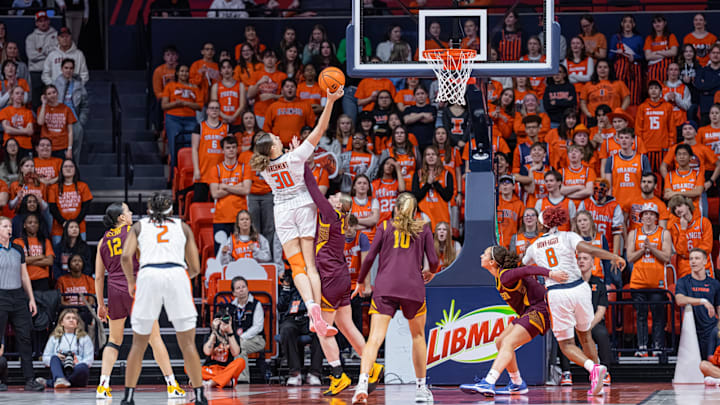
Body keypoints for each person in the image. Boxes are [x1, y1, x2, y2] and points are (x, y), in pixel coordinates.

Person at [250, 86, 343, 337]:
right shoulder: (295, 157)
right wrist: (331, 101)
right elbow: (320, 129)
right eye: (275, 138)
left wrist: (290, 152)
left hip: (282, 212)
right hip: (302, 207)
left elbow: (280, 162)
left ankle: (310, 307)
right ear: (272, 148)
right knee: (311, 266)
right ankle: (320, 317)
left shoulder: (264, 169)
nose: (279, 137)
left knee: (297, 267)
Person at [522, 206, 625, 397]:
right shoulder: (568, 236)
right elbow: (589, 248)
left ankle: (593, 368)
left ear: (541, 224)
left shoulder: (534, 247)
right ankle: (598, 380)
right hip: (579, 288)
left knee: (566, 344)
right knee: (586, 336)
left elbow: (522, 269)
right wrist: (613, 256)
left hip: (558, 293)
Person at [351, 192, 438, 404]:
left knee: (374, 338)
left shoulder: (385, 226)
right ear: (415, 210)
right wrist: (431, 271)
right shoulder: (424, 228)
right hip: (413, 288)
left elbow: (370, 257)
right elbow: (434, 260)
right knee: (417, 337)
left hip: (385, 287)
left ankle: (362, 383)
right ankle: (420, 388)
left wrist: (361, 281)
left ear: (396, 209)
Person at [303, 163, 382, 396]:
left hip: (329, 279)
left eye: (335, 195)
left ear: (339, 205)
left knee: (322, 329)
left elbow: (313, 189)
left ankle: (339, 374)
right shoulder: (336, 218)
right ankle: (374, 366)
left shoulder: (330, 213)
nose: (331, 195)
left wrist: (305, 165)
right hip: (341, 276)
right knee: (347, 327)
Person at [119, 194, 204, 405]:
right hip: (176, 273)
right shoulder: (182, 227)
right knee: (188, 344)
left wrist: (131, 282)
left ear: (148, 210)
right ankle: (200, 395)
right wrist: (182, 278)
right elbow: (195, 267)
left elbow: (125, 257)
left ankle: (128, 397)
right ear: (172, 211)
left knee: (138, 344)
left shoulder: (139, 226)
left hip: (148, 275)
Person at [95, 202, 183, 399]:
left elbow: (99, 277)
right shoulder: (135, 232)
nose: (132, 213)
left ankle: (103, 385)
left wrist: (101, 304)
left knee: (114, 340)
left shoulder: (102, 241)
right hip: (136, 288)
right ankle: (172, 385)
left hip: (114, 291)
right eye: (128, 210)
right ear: (121, 218)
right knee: (154, 338)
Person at [460, 246, 566, 396]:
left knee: (508, 342)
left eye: (484, 254)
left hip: (541, 309)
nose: (480, 255)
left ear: (492, 262)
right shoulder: (500, 276)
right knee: (500, 341)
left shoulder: (505, 276)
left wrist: (551, 273)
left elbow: (528, 269)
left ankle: (489, 381)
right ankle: (517, 383)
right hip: (528, 311)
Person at [0, 216, 44, 391]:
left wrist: (31, 299)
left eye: (10, 226)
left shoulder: (18, 248)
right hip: (1, 296)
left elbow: (24, 275)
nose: (8, 229)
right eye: (4, 226)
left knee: (25, 338)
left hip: (18, 296)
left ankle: (29, 379)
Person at [558, 252, 613, 386]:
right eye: (579, 259)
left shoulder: (598, 283)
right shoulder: (569, 282)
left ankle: (604, 371)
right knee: (564, 334)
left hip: (592, 324)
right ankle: (566, 373)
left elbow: (601, 309)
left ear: (592, 263)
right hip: (573, 323)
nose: (581, 261)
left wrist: (588, 324)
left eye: (585, 258)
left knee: (602, 334)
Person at [627, 201, 673, 357]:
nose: (648, 216)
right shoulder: (633, 233)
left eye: (651, 214)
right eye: (645, 214)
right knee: (641, 315)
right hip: (638, 282)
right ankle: (642, 347)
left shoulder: (664, 233)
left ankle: (658, 347)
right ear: (641, 217)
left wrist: (652, 248)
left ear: (656, 217)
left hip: (657, 283)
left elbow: (666, 257)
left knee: (658, 316)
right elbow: (630, 257)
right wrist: (643, 249)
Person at [675, 249, 720, 367]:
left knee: (710, 364)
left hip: (710, 330)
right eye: (691, 259)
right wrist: (702, 301)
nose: (693, 262)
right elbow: (679, 300)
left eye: (697, 258)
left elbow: (718, 307)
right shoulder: (683, 281)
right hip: (692, 331)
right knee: (693, 367)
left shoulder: (714, 284)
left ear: (705, 261)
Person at [40, 308, 93, 388]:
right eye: (68, 318)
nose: (71, 320)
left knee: (83, 367)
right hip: (61, 370)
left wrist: (77, 362)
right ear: (62, 322)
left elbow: (89, 359)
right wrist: (58, 357)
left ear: (77, 322)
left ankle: (51, 383)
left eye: (74, 318)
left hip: (77, 371)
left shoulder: (84, 337)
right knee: (54, 358)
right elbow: (45, 358)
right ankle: (60, 379)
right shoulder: (54, 338)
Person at [161, 64, 201, 168]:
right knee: (175, 148)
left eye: (186, 71)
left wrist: (185, 103)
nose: (184, 73)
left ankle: (189, 176)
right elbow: (164, 105)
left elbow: (200, 106)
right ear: (177, 73)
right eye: (182, 71)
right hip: (173, 119)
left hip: (191, 120)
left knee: (191, 148)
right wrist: (176, 104)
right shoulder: (170, 86)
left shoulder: (195, 87)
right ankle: (174, 178)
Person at [47, 159, 92, 244]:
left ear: (75, 169)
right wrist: (64, 223)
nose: (68, 169)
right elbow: (52, 208)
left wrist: (74, 223)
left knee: (80, 253)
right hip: (59, 229)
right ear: (61, 170)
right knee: (59, 255)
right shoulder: (54, 188)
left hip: (78, 227)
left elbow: (86, 207)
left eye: (71, 166)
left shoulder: (83, 186)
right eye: (65, 166)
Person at [667, 195, 713, 279]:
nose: (678, 210)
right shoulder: (675, 228)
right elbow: (681, 251)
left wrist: (690, 255)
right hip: (685, 268)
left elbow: (707, 247)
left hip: (704, 266)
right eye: (675, 208)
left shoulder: (703, 222)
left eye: (680, 205)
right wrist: (683, 230)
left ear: (687, 205)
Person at [192, 100, 229, 202]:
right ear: (207, 111)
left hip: (220, 174)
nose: (214, 110)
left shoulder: (226, 128)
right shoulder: (199, 127)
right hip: (203, 172)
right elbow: (194, 149)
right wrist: (196, 169)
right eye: (212, 108)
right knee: (200, 204)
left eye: (217, 108)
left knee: (220, 205)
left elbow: (231, 150)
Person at [201, 308, 246, 389]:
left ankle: (211, 382)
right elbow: (207, 352)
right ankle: (226, 381)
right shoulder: (210, 335)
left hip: (226, 369)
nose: (225, 323)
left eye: (227, 321)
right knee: (188, 366)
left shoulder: (233, 335)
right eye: (223, 321)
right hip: (210, 369)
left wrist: (230, 332)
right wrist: (214, 331)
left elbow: (235, 353)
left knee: (241, 361)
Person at [53, 58, 88, 163]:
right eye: (66, 68)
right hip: (59, 123)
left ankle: (75, 178)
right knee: (60, 155)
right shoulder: (55, 84)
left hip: (75, 121)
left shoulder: (79, 85)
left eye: (71, 68)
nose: (68, 70)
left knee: (75, 155)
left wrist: (81, 122)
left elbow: (85, 106)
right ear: (61, 69)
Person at [577, 178, 624, 257]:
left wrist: (615, 256)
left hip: (608, 248)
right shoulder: (585, 204)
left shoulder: (614, 206)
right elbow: (577, 228)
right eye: (596, 189)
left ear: (607, 190)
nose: (598, 193)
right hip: (588, 246)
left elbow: (617, 233)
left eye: (601, 189)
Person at [263, 79, 316, 146]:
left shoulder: (305, 106)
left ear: (296, 89)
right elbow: (266, 127)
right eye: (287, 86)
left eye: (292, 86)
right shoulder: (273, 107)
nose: (290, 88)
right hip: (278, 146)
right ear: (282, 90)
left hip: (299, 145)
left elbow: (311, 125)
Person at [636, 80, 674, 171]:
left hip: (663, 147)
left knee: (664, 172)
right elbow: (638, 128)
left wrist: (670, 145)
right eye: (651, 88)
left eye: (656, 88)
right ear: (648, 91)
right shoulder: (642, 107)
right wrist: (640, 146)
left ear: (661, 91)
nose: (653, 91)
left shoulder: (667, 107)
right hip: (647, 147)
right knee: (647, 174)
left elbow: (671, 128)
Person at [247, 49, 287, 128]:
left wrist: (272, 96)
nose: (270, 60)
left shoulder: (282, 76)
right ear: (263, 59)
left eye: (272, 57)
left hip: (277, 113)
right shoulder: (256, 74)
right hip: (259, 113)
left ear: (276, 60)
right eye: (267, 57)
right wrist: (259, 82)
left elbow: (287, 97)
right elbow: (249, 95)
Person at [14, 213, 53, 290]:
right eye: (30, 222)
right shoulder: (18, 242)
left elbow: (49, 261)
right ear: (24, 225)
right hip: (24, 279)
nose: (33, 224)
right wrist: (40, 257)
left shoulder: (45, 241)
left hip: (42, 279)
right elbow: (17, 260)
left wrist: (27, 261)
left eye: (36, 222)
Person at [25, 11, 57, 106]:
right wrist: (47, 52)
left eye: (45, 20)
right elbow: (31, 56)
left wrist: (40, 50)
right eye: (40, 21)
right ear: (36, 23)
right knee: (37, 101)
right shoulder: (30, 37)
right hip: (36, 72)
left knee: (52, 100)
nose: (43, 23)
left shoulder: (56, 36)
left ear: (49, 21)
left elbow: (55, 54)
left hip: (51, 72)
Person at [37, 84, 76, 159]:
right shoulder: (42, 108)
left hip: (62, 145)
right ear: (45, 96)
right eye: (49, 93)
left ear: (57, 93)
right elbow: (40, 122)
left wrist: (70, 148)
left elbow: (70, 131)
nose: (52, 95)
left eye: (54, 92)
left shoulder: (66, 109)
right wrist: (44, 104)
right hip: (47, 147)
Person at [210, 59, 246, 133]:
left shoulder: (240, 85)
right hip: (221, 121)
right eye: (223, 68)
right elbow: (214, 106)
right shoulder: (216, 86)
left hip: (237, 121)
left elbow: (242, 105)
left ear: (233, 69)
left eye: (229, 67)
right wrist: (226, 117)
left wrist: (233, 117)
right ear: (220, 71)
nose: (226, 70)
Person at [644, 14, 678, 83]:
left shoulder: (671, 36)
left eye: (659, 21)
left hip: (667, 71)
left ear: (664, 23)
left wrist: (657, 52)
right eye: (655, 22)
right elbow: (648, 56)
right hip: (653, 71)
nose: (657, 24)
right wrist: (666, 52)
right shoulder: (649, 38)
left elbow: (674, 52)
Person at [0, 90, 33, 158]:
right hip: (10, 145)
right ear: (12, 95)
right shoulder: (5, 111)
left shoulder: (28, 112)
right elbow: (8, 130)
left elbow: (30, 132)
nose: (20, 95)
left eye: (22, 94)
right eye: (17, 93)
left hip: (26, 145)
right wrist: (24, 130)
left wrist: (13, 129)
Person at [496, 174, 524, 249]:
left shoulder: (519, 204)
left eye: (508, 182)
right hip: (496, 242)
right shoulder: (494, 202)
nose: (504, 185)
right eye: (502, 183)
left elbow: (522, 227)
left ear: (514, 186)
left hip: (512, 244)